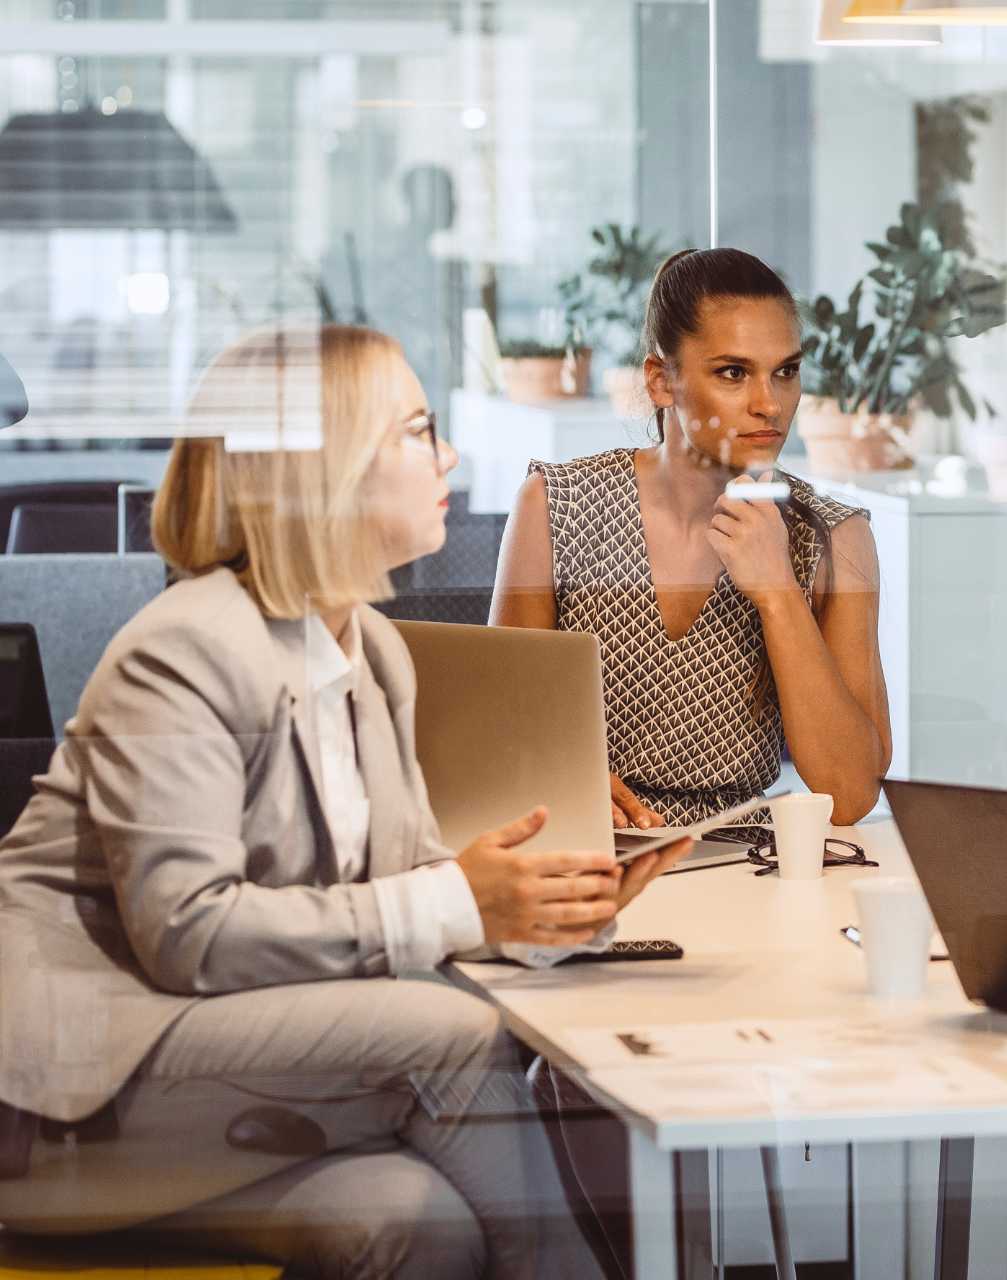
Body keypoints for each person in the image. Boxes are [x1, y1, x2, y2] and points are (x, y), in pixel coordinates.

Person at [0, 325, 686, 1279]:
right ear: (328, 468)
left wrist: (546, 905)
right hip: (63, 1098)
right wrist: (458, 900)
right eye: (416, 431)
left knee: (414, 1217)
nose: (447, 455)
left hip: (204, 1083)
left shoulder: (370, 651)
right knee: (453, 1034)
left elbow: (399, 889)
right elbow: (187, 934)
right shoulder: (185, 649)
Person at [490, 247, 891, 831]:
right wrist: (558, 779)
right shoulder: (554, 505)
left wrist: (778, 593)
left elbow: (851, 793)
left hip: (748, 868)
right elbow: (502, 735)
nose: (769, 403)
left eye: (785, 371)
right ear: (661, 380)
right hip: (585, 851)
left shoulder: (832, 536)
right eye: (734, 373)